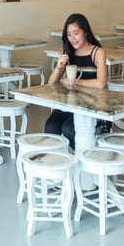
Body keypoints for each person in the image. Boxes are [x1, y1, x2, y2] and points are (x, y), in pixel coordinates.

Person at [44, 13, 109, 148]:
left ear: (85, 32)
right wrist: (59, 67)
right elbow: (51, 84)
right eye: (69, 35)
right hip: (71, 104)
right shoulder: (68, 53)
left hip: (94, 105)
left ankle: (82, 156)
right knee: (51, 126)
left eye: (76, 33)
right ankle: (59, 158)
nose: (72, 38)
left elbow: (101, 84)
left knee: (69, 129)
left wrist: (74, 82)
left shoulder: (97, 52)